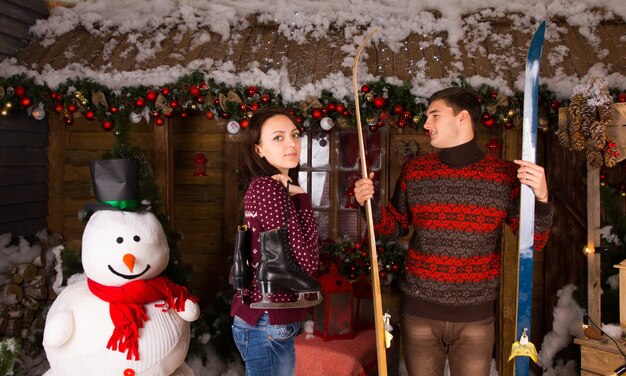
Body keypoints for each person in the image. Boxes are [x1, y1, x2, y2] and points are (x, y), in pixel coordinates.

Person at [354, 87, 553, 376]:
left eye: (434, 115)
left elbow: (534, 241)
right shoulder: (416, 170)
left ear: (462, 118)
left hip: (476, 319)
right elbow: (394, 226)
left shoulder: (504, 176)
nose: (426, 124)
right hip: (419, 314)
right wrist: (368, 205)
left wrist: (543, 197)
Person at [230, 107, 320, 376]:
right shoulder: (269, 188)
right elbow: (308, 263)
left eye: (294, 134)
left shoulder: (267, 186)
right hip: (266, 320)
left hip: (263, 318)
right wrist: (302, 197)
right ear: (259, 149)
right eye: (278, 137)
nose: (291, 142)